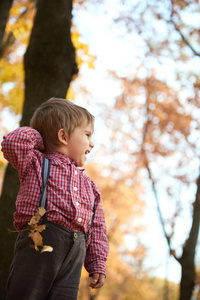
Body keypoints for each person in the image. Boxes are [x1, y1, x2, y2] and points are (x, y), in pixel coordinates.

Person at [1, 97, 109, 300]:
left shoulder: (90, 186)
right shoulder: (36, 163)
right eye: (87, 135)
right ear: (63, 136)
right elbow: (13, 142)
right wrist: (41, 137)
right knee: (27, 294)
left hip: (76, 253)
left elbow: (97, 228)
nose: (92, 144)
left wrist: (97, 263)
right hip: (39, 241)